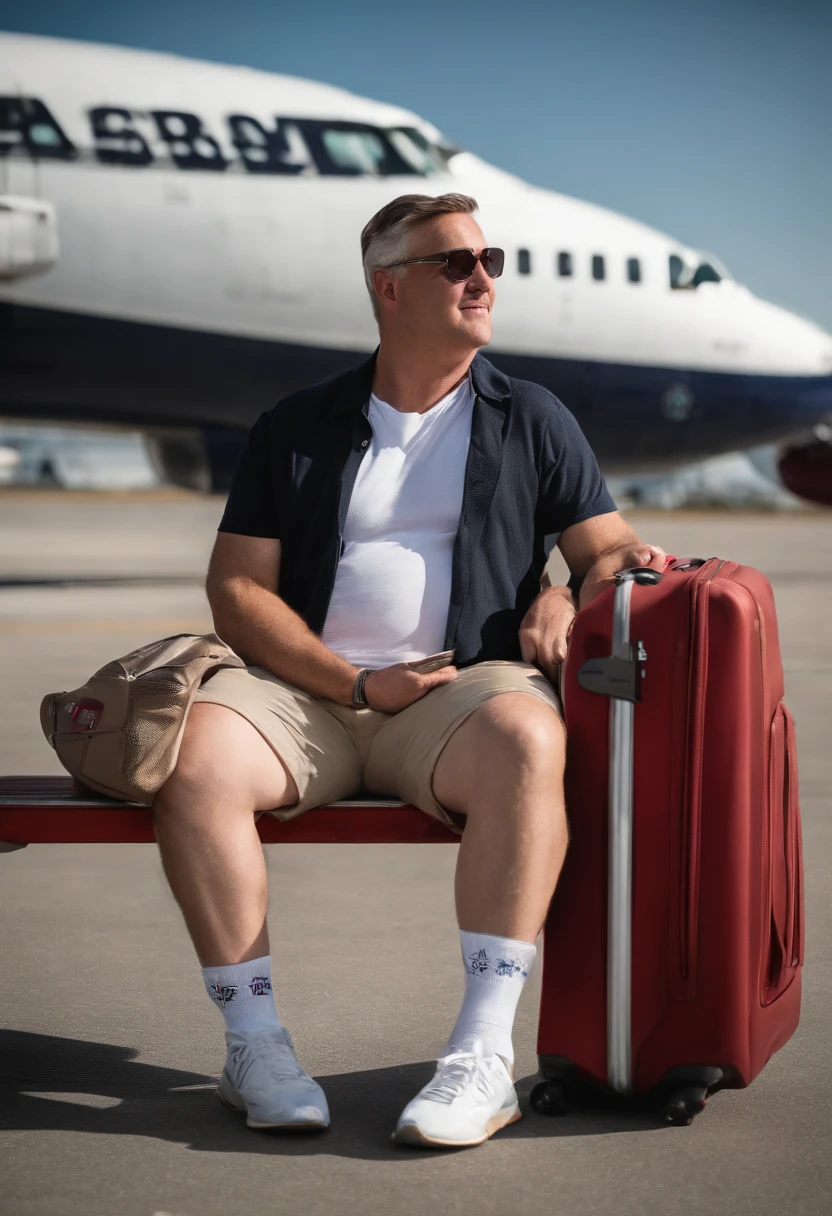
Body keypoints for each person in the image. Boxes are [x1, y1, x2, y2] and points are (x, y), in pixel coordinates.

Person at [152, 192, 665, 1149]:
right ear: (389, 289)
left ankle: (479, 1056)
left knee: (527, 735)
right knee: (194, 763)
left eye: (490, 260)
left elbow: (615, 549)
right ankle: (254, 1046)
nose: (483, 279)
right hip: (308, 689)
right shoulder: (297, 425)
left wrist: (567, 592)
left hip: (462, 693)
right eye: (456, 263)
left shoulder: (532, 417)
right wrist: (350, 681)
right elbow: (238, 590)